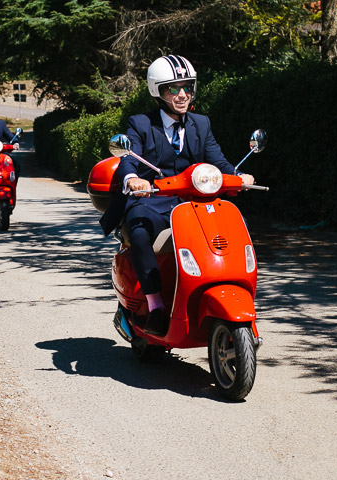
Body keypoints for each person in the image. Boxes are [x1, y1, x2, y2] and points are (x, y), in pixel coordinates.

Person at [100, 55, 255, 336]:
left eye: (187, 87)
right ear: (158, 90)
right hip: (151, 200)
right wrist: (133, 178)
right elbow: (128, 159)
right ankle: (157, 305)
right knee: (139, 233)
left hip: (192, 202)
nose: (182, 94)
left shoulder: (201, 123)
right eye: (174, 88)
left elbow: (217, 160)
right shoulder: (141, 124)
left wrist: (238, 175)